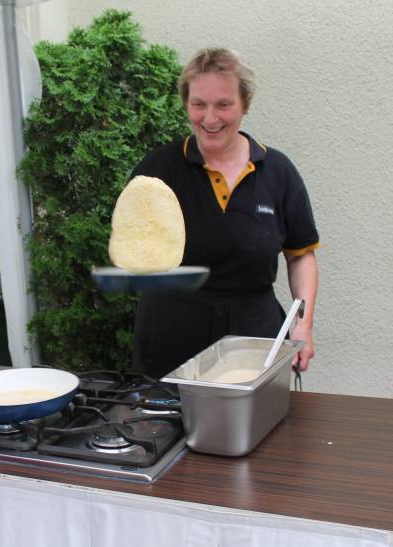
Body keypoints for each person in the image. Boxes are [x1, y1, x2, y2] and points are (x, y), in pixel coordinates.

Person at [130, 48, 320, 378]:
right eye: (199, 104)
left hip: (254, 339)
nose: (210, 118)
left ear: (244, 104)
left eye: (223, 104)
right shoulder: (157, 170)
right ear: (186, 104)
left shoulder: (277, 171)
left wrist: (303, 325)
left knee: (256, 429)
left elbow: (300, 256)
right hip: (171, 341)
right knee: (171, 430)